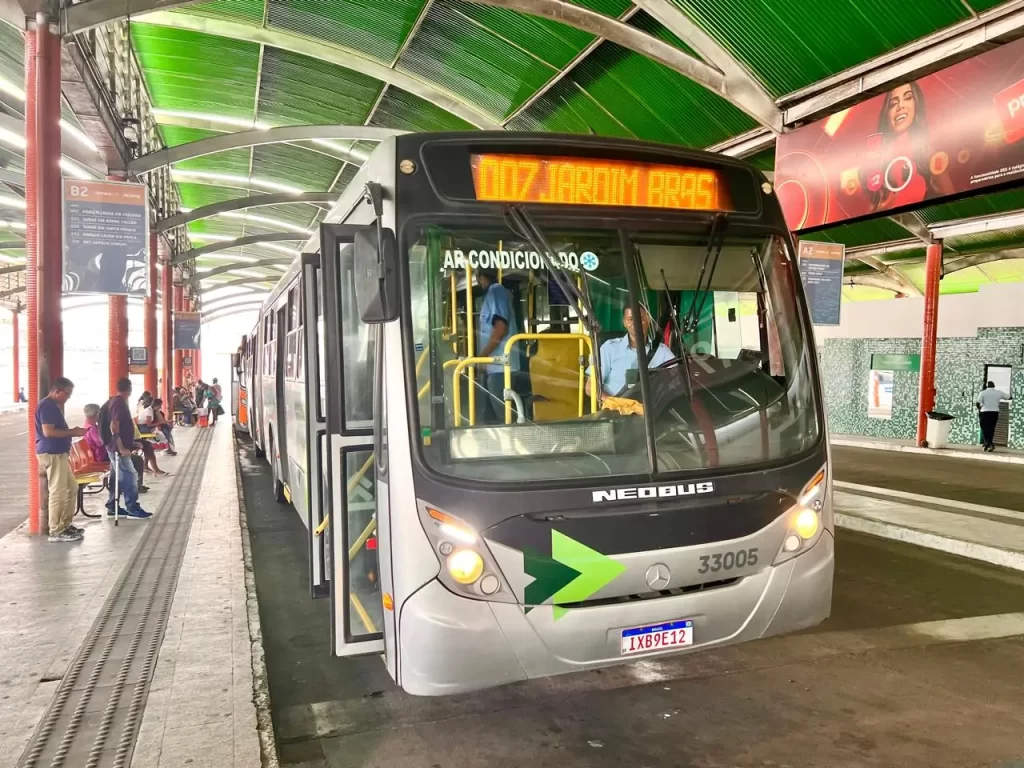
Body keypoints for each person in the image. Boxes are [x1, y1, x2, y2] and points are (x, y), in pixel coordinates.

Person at [35, 377, 86, 542]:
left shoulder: (53, 406)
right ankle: (55, 530)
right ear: (57, 391)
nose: (68, 398)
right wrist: (73, 432)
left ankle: (65, 524)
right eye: (67, 394)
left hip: (60, 453)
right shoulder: (47, 406)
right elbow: (49, 432)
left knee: (72, 487)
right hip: (52, 453)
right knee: (58, 492)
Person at [586, 305, 674, 401]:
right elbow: (590, 387)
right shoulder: (609, 348)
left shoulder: (662, 351)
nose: (636, 323)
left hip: (653, 409)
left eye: (641, 318)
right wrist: (615, 403)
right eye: (630, 319)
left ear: (648, 319)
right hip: (616, 411)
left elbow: (677, 381)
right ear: (624, 323)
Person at [99, 377, 151, 520]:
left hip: (115, 446)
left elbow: (121, 427)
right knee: (130, 476)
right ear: (130, 389)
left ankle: (112, 506)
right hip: (117, 448)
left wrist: (132, 443)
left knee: (117, 476)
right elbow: (114, 426)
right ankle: (132, 507)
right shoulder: (119, 403)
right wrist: (121, 447)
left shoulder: (115, 401)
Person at [474, 268, 520, 424]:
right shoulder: (496, 293)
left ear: (481, 276)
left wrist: (482, 357)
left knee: (505, 417)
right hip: (497, 365)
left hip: (501, 365)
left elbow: (500, 328)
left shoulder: (496, 291)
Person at [84, 403, 148, 494]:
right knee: (136, 460)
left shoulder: (94, 427)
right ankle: (133, 486)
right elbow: (103, 442)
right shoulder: (91, 429)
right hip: (102, 457)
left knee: (131, 457)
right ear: (96, 415)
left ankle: (132, 485)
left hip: (105, 453)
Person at [976, 381, 1009, 452]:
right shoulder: (999, 392)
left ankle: (988, 444)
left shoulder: (983, 393)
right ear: (994, 386)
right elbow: (1009, 397)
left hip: (984, 412)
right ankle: (987, 444)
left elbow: (978, 403)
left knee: (984, 428)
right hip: (994, 413)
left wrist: (979, 409)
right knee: (991, 428)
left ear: (986, 386)